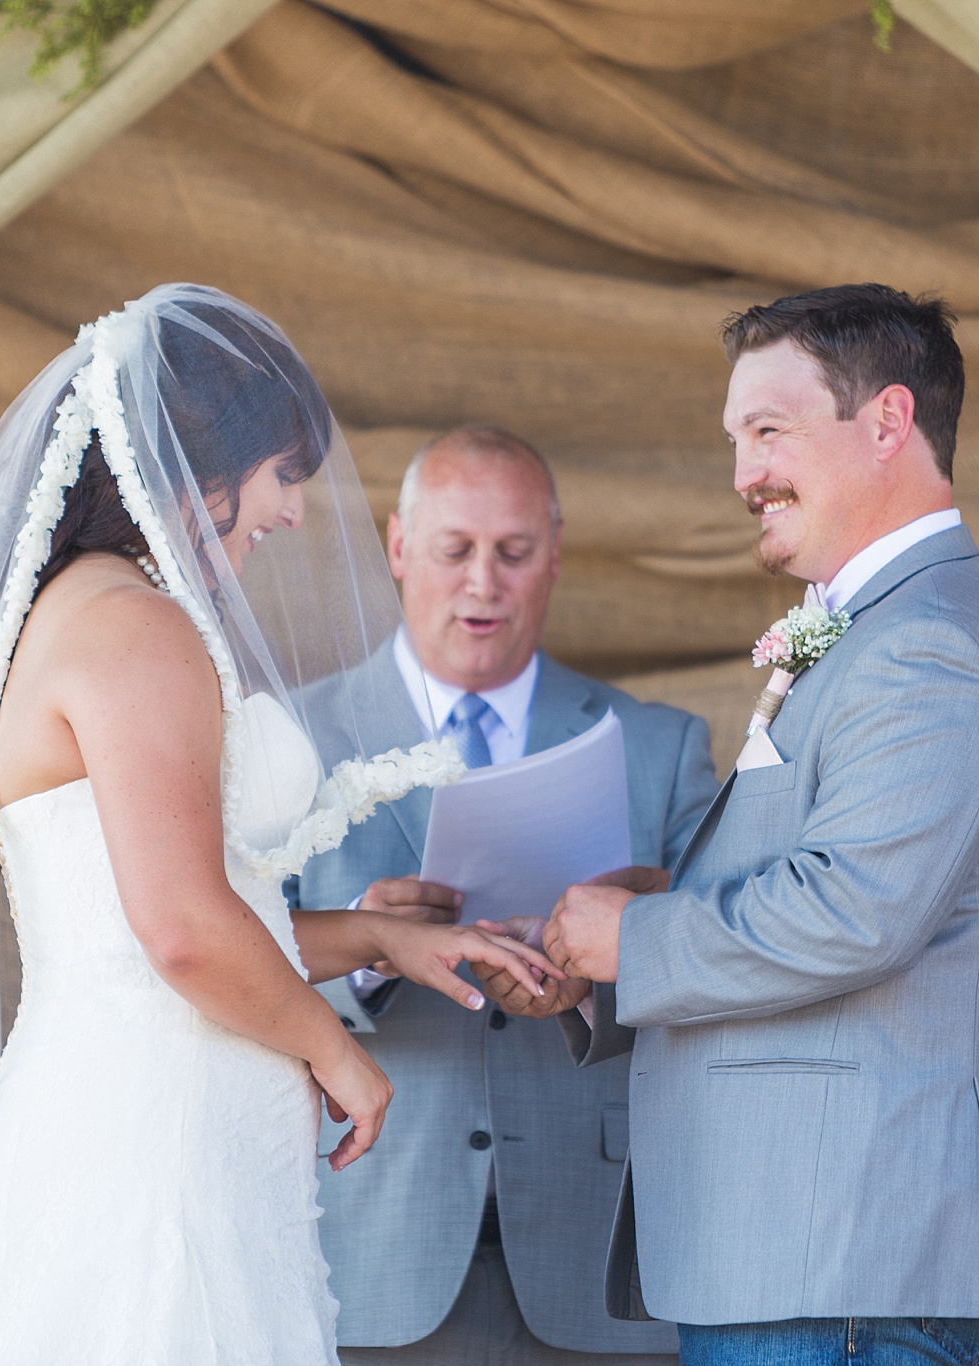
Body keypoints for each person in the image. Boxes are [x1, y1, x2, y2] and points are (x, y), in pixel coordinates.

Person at [0, 285, 561, 1365]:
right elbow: (181, 931)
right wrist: (337, 1060)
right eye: (283, 474)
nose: (295, 511)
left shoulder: (79, 607)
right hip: (151, 1141)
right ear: (198, 467)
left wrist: (379, 935)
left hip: (135, 1108)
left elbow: (158, 930)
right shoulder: (138, 627)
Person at [485, 285, 979, 1366]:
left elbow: (853, 912)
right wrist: (600, 942)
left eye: (768, 431)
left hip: (843, 1261)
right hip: (798, 1260)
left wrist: (637, 942)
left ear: (887, 422)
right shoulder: (869, 630)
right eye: (735, 438)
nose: (742, 473)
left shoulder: (927, 648)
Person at [287, 425, 719, 1365]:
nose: (483, 582)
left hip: (595, 1253)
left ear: (554, 561)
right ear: (399, 547)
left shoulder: (659, 747)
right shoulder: (288, 741)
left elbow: (720, 964)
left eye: (514, 553)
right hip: (368, 1250)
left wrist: (600, 980)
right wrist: (364, 952)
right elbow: (218, 958)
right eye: (456, 550)